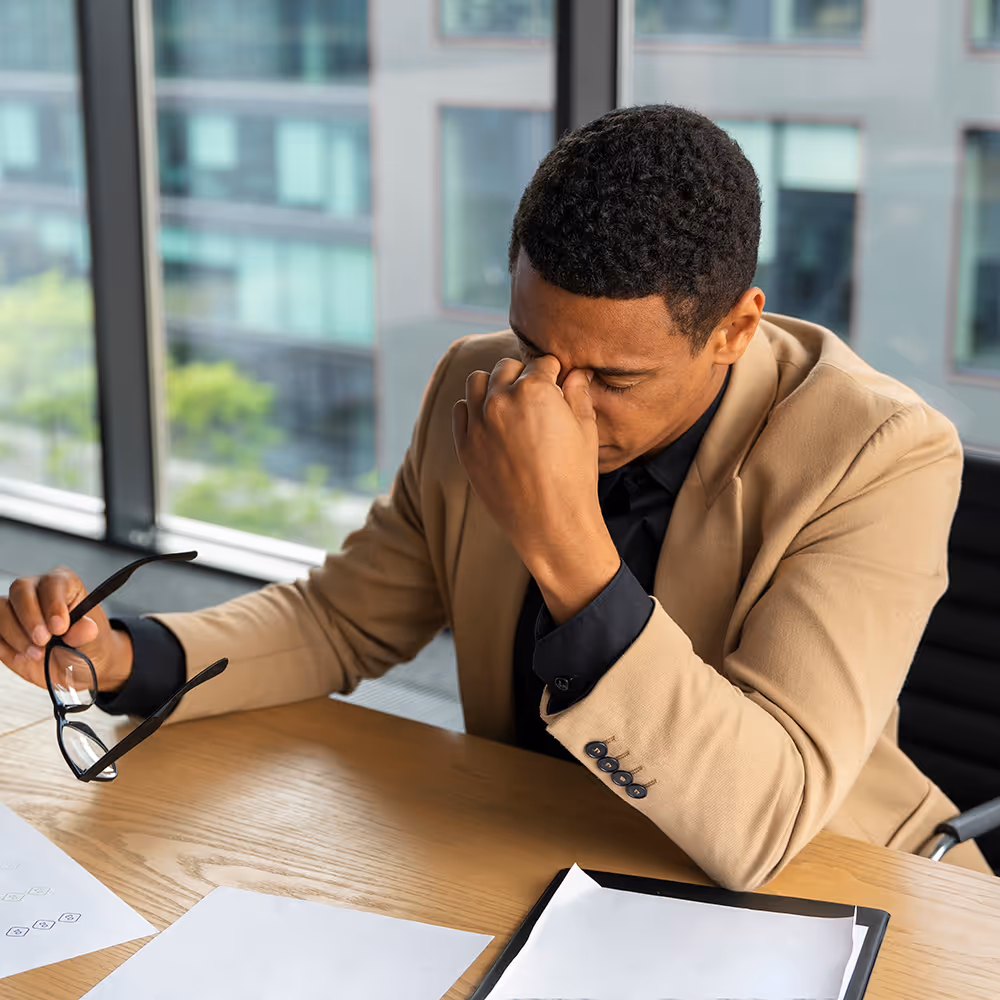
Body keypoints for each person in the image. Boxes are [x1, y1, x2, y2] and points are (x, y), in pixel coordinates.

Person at [1, 105, 990, 889]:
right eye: (533, 347)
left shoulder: (878, 453)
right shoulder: (477, 385)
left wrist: (562, 538)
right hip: (535, 853)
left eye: (613, 379)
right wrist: (128, 654)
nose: (553, 402)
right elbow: (340, 621)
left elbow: (764, 818)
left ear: (734, 328)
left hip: (831, 884)